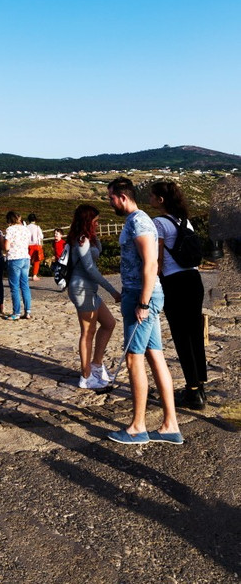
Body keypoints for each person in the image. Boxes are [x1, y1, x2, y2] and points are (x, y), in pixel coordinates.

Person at [106, 177, 182, 445]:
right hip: (141, 295)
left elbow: (151, 264)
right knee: (155, 356)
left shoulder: (138, 221)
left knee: (134, 360)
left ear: (122, 197)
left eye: (111, 197)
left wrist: (142, 303)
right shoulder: (137, 220)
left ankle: (137, 427)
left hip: (140, 297)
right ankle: (170, 425)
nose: (110, 202)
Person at [150, 180, 207, 410]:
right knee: (195, 334)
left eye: (153, 196)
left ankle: (192, 392)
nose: (150, 199)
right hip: (194, 280)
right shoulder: (186, 221)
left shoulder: (158, 223)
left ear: (161, 200)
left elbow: (159, 259)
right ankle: (200, 386)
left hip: (174, 282)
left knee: (181, 336)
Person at [66, 204, 121, 389]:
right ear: (88, 221)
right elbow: (90, 269)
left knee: (109, 323)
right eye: (95, 221)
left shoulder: (86, 238)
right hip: (82, 289)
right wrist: (112, 290)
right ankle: (86, 376)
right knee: (87, 332)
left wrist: (95, 236)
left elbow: (99, 251)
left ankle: (96, 365)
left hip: (90, 290)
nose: (98, 225)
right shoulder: (82, 240)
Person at [4, 211, 32, 320]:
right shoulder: (26, 229)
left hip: (14, 258)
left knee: (14, 287)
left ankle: (16, 313)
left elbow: (6, 247)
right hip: (25, 257)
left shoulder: (10, 230)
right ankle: (28, 311)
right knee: (25, 285)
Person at [26, 213, 45, 280]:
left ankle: (25, 274)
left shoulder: (26, 227)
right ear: (35, 220)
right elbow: (41, 236)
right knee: (36, 261)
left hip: (27, 246)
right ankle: (34, 275)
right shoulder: (37, 227)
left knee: (27, 261)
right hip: (36, 246)